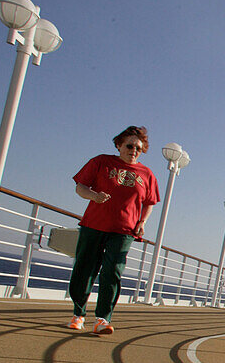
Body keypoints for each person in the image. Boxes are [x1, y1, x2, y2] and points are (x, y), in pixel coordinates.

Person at [66, 126, 160, 335]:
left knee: (112, 272)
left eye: (138, 147)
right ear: (119, 145)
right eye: (129, 145)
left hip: (124, 230)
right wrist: (94, 196)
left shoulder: (147, 174)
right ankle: (78, 314)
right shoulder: (101, 162)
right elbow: (80, 187)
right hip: (93, 225)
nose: (133, 150)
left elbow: (149, 202)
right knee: (84, 269)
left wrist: (142, 222)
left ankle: (102, 319)